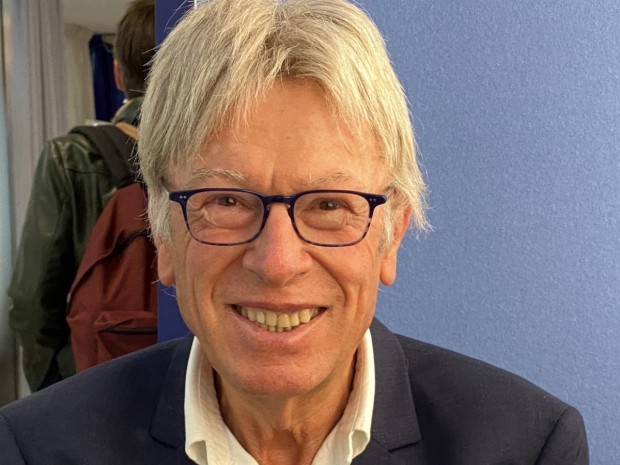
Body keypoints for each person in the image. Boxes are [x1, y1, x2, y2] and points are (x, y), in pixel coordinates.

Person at [0, 0, 588, 463]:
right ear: (163, 233)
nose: (279, 262)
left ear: (392, 234)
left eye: (329, 204)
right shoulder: (37, 447)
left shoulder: (526, 446)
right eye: (225, 200)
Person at [7, 0, 155, 392]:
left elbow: (32, 301)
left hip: (94, 377)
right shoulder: (217, 153)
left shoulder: (72, 156)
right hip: (195, 373)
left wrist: (54, 391)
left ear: (118, 74)